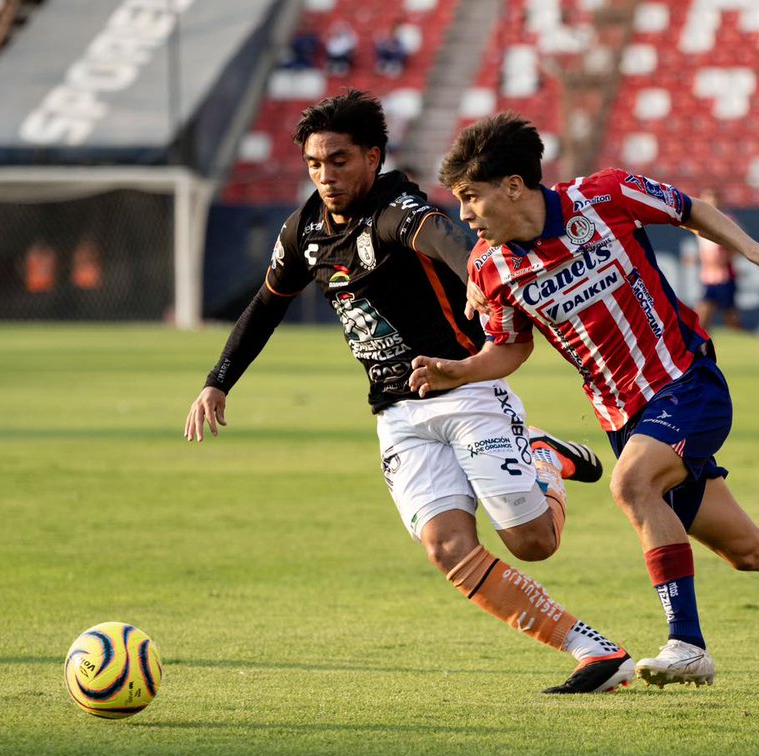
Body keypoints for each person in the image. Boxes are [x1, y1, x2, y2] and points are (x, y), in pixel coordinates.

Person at [410, 113, 759, 689]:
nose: (466, 214)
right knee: (748, 551)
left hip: (686, 381)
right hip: (624, 418)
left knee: (631, 485)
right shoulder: (488, 266)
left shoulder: (603, 196)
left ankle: (687, 645)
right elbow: (509, 347)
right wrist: (461, 371)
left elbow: (689, 209)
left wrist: (754, 251)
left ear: (514, 186)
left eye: (471, 198)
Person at [184, 91, 633, 694]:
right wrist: (218, 382)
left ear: (373, 156)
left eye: (339, 161)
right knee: (446, 547)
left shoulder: (396, 206)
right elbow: (267, 304)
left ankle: (545, 458)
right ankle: (595, 654)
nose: (326, 175)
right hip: (397, 414)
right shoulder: (305, 230)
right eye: (315, 164)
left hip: (467, 392)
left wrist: (474, 276)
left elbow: (444, 236)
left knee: (533, 544)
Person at [679, 188, 759, 359]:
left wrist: (726, 258)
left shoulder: (728, 221)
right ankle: (703, 356)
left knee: (732, 324)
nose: (712, 204)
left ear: (720, 202)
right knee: (701, 321)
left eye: (714, 200)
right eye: (708, 200)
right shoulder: (699, 221)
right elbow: (708, 251)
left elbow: (738, 245)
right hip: (709, 279)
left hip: (724, 278)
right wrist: (696, 259)